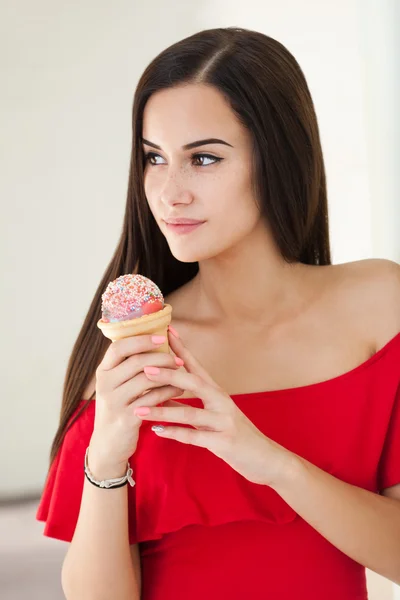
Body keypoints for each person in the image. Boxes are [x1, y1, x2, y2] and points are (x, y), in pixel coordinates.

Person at [36, 26, 400, 600]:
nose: (168, 192)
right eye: (154, 158)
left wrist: (270, 462)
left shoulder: (382, 307)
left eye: (203, 158)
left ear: (278, 158)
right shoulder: (133, 358)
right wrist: (105, 453)